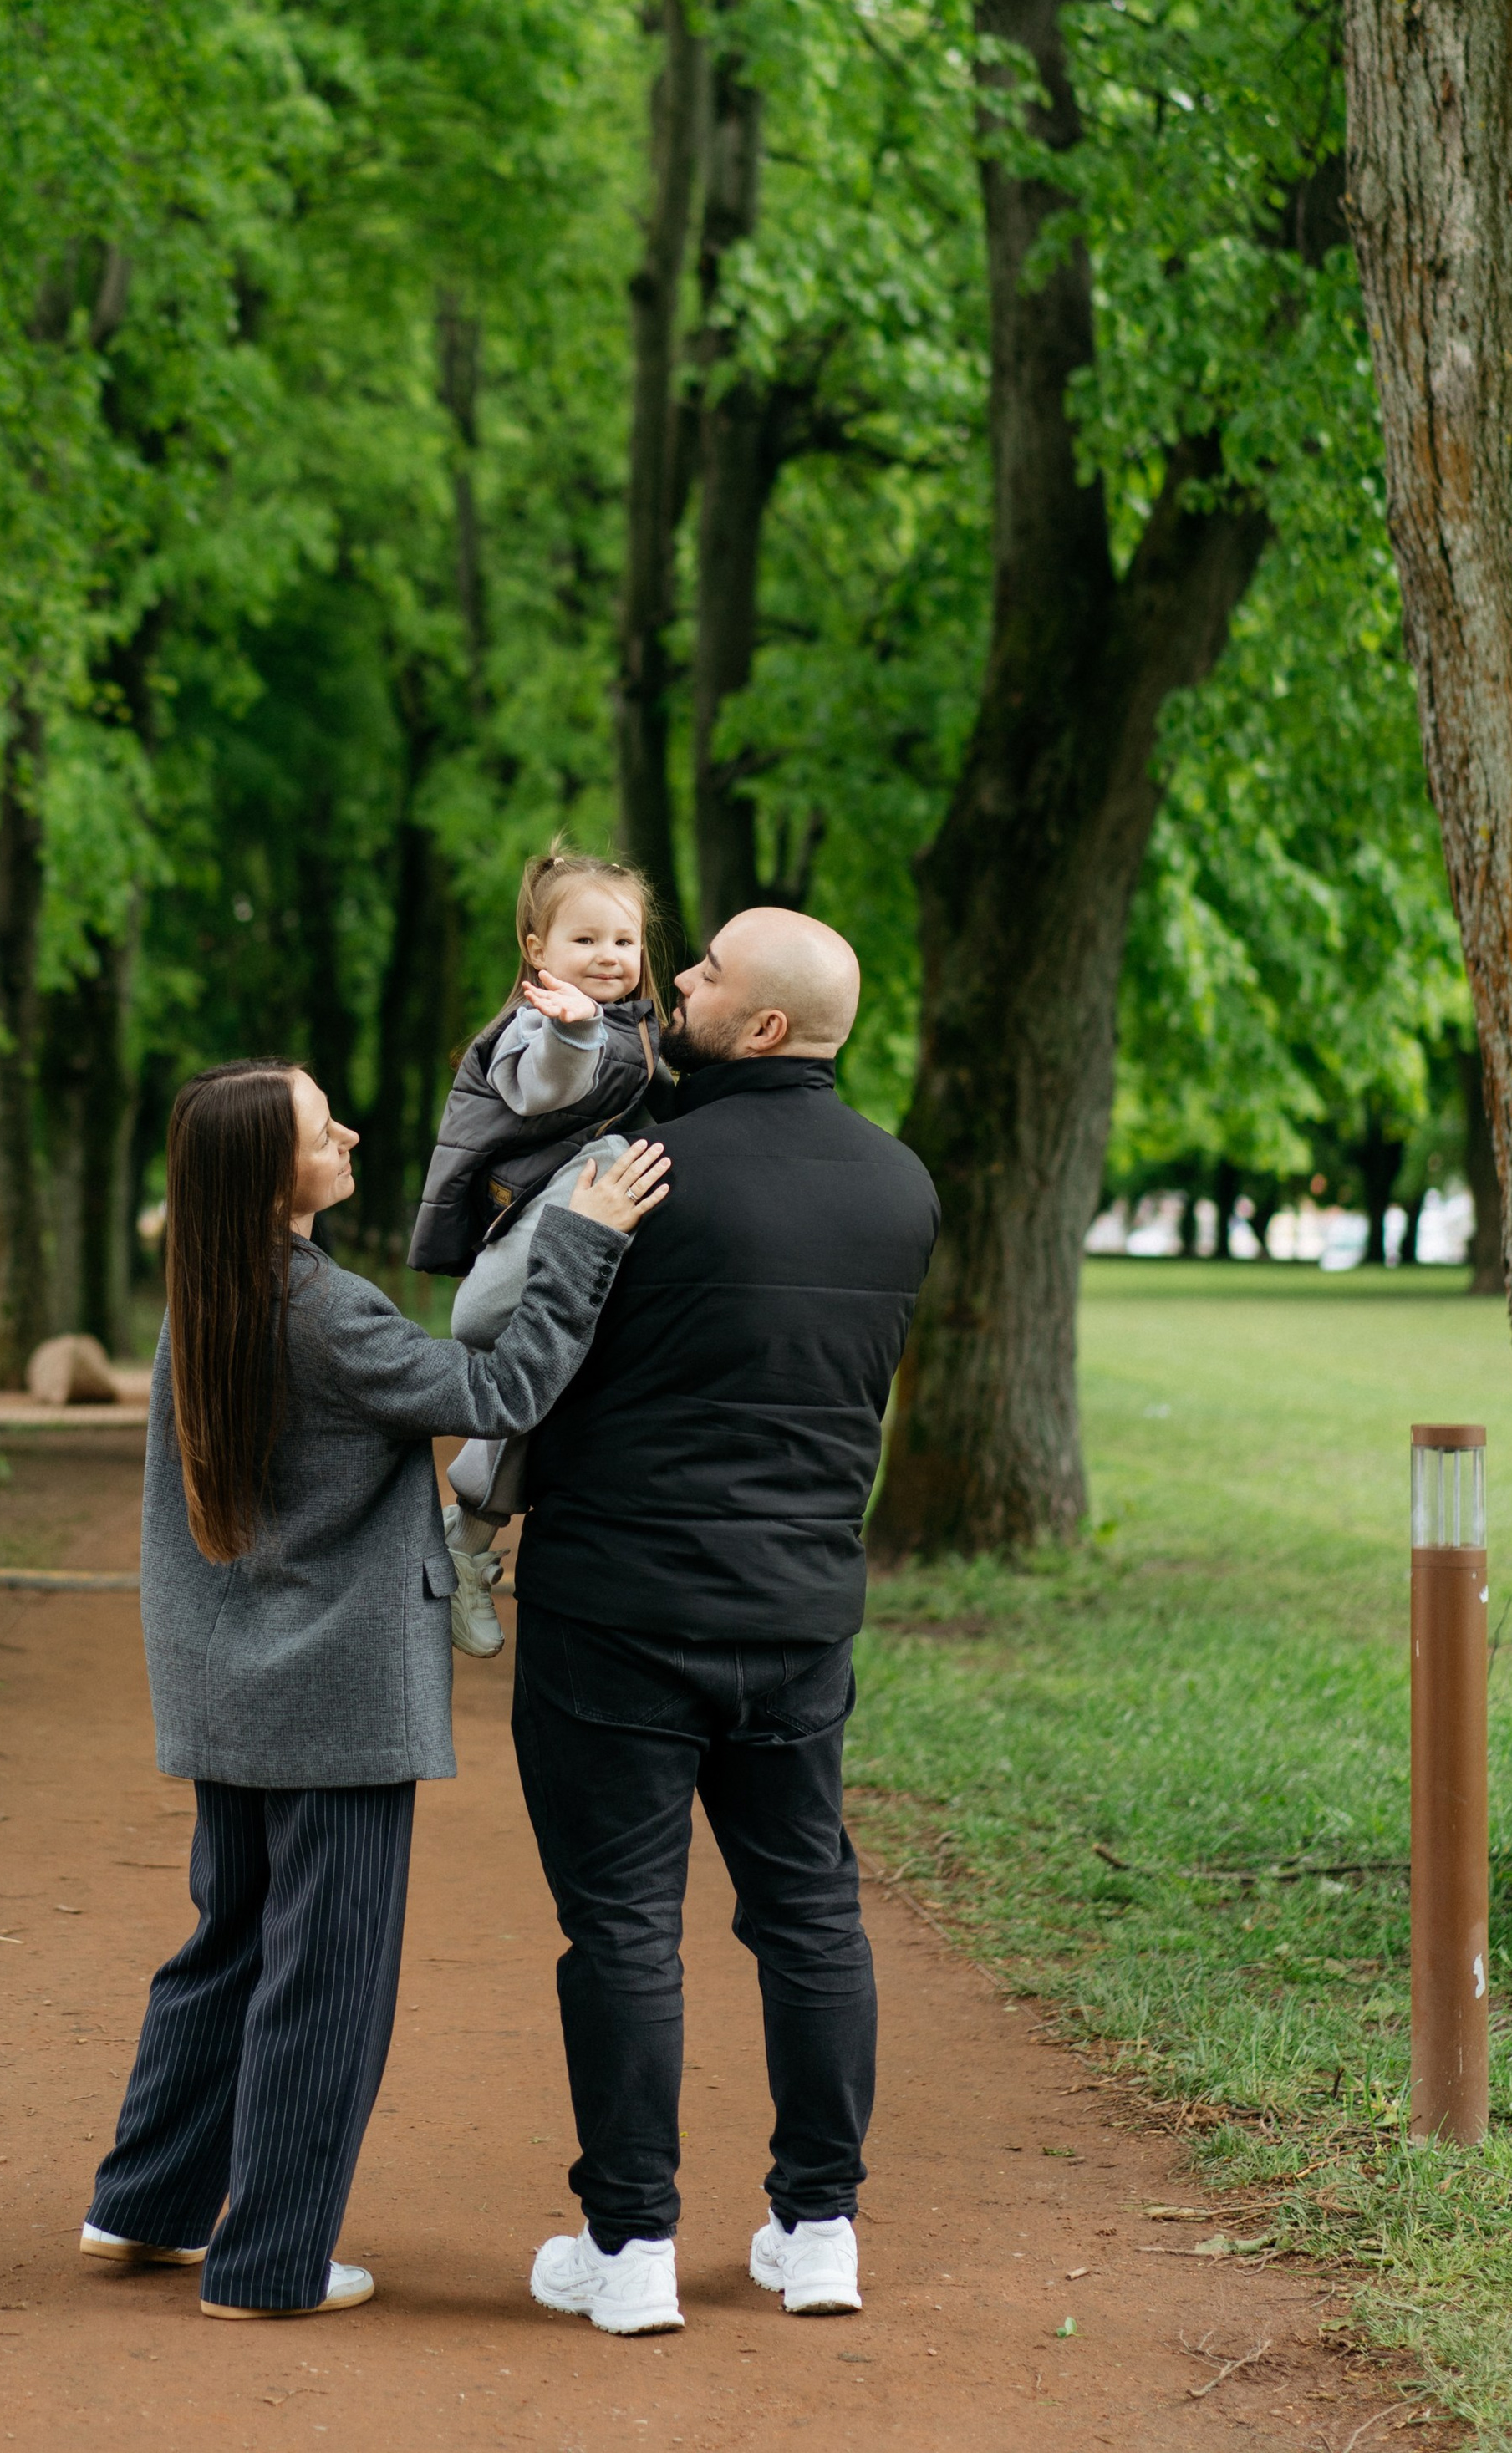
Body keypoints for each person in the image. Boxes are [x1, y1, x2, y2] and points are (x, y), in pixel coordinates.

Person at [81, 1055, 669, 2322]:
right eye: (317, 1128)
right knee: (326, 1982)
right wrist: (580, 1238)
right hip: (332, 1696)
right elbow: (502, 1394)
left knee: (227, 1946)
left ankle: (148, 2202)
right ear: (266, 1173)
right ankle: (272, 2264)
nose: (348, 1131)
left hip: (231, 1684)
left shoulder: (210, 1292)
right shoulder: (324, 1308)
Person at [512, 908, 939, 2338]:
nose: (672, 984)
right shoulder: (902, 1190)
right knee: (810, 1912)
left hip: (617, 1611)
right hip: (800, 1614)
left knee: (624, 1925)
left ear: (761, 1028)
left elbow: (521, 1343)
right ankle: (821, 2227)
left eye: (700, 977)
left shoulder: (642, 1172)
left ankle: (629, 2249)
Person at [407, 847, 671, 1658]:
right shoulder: (540, 1024)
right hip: (522, 1235)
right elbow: (545, 1089)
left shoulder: (642, 1028)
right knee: (612, 1157)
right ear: (536, 951)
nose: (606, 958)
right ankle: (463, 1542)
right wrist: (573, 1030)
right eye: (584, 940)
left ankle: (468, 1544)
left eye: (622, 942)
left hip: (551, 1242)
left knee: (539, 1391)